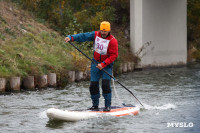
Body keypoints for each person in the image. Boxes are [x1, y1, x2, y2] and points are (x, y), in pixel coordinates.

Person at [65, 21, 118, 111]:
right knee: (93, 85)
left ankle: (107, 106)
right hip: (95, 63)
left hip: (106, 65)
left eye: (105, 31)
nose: (103, 33)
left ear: (109, 31)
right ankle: (95, 105)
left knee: (105, 85)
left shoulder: (113, 41)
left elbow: (114, 55)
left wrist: (103, 64)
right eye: (102, 31)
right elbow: (83, 36)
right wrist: (71, 38)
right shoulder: (95, 35)